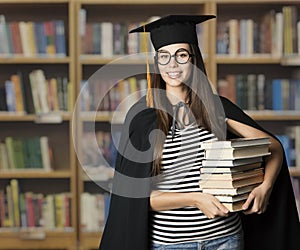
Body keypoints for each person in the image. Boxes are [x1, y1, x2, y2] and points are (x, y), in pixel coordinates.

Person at [99, 15, 300, 250]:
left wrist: (264, 188)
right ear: (157, 63)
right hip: (171, 245)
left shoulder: (218, 109)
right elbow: (136, 199)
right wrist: (195, 199)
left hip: (227, 239)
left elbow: (273, 147)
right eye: (164, 56)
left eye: (181, 55)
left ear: (194, 60)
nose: (172, 64)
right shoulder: (143, 117)